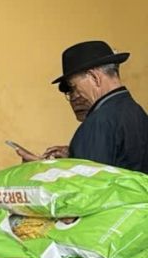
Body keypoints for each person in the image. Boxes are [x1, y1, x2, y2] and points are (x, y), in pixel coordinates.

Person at [49, 40, 148, 173]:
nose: (75, 96)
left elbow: (86, 182)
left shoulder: (98, 122)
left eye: (74, 86)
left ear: (94, 77)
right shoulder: (137, 112)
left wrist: (42, 169)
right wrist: (74, 157)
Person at [13, 79, 89, 162]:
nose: (74, 99)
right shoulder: (83, 134)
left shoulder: (97, 125)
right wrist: (71, 157)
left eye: (79, 91)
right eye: (70, 92)